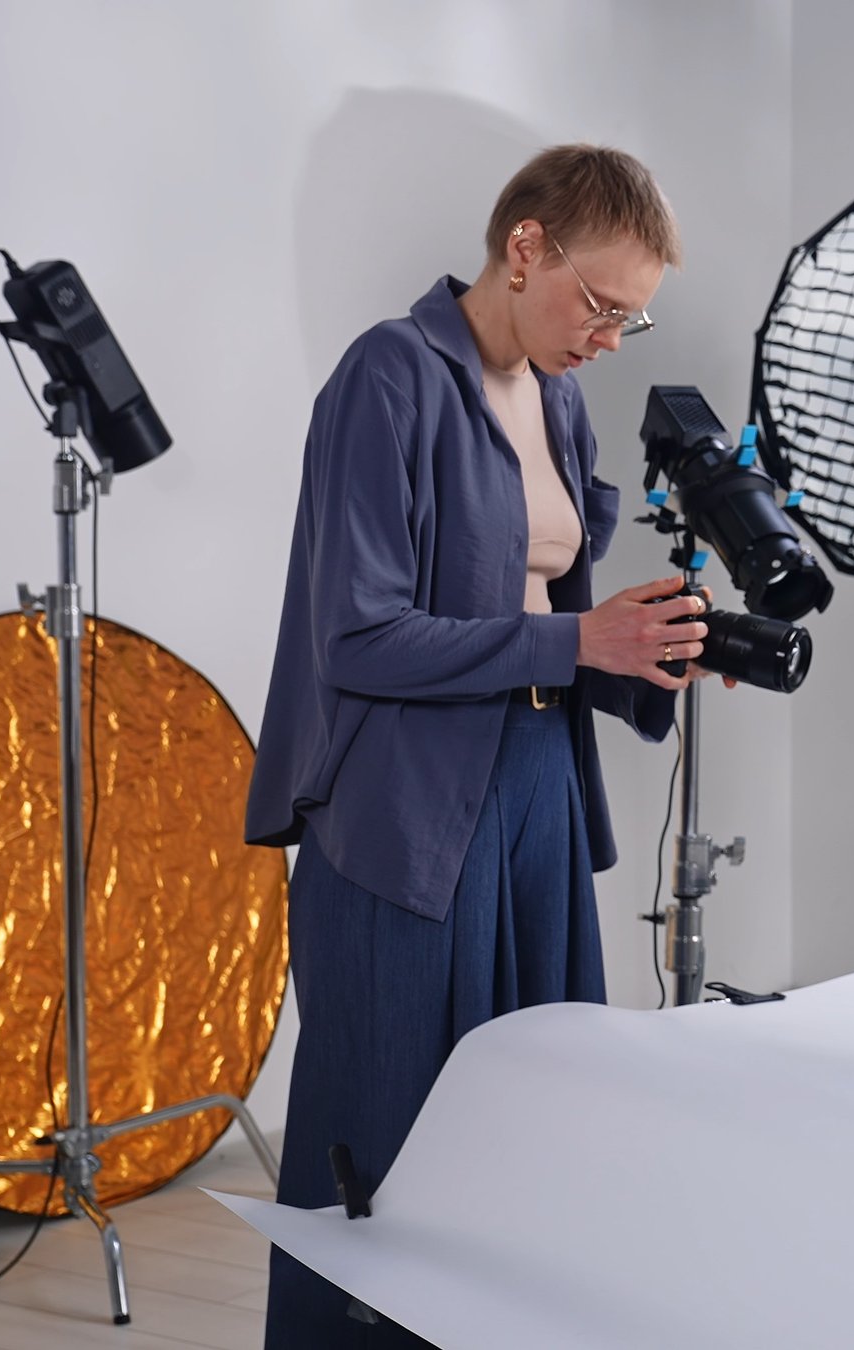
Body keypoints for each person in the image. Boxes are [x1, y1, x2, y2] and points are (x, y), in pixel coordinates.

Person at [244, 144, 718, 1347]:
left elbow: (547, 617)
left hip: (536, 795)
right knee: (387, 1153)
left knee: (538, 1129)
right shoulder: (387, 378)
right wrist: (575, 649)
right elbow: (357, 636)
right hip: (403, 821)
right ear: (524, 249)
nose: (607, 340)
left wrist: (640, 649)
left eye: (632, 323)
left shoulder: (554, 395)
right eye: (600, 306)